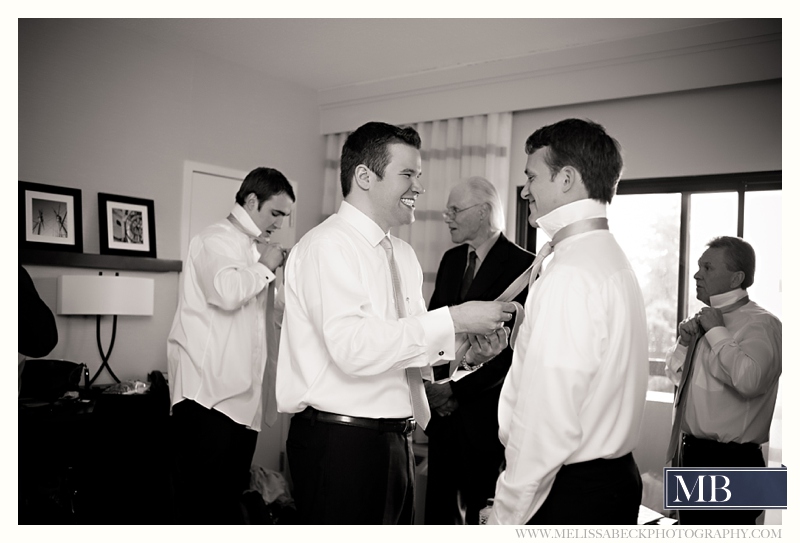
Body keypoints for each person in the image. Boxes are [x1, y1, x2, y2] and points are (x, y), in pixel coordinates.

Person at [277, 121, 517, 525]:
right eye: (408, 174)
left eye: (418, 176)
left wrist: (466, 355)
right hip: (341, 446)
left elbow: (411, 356)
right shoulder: (326, 247)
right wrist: (454, 317)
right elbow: (353, 348)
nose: (419, 188)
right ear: (365, 177)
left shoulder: (403, 254)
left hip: (398, 441)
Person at [488, 118, 649, 525]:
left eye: (531, 176)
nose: (524, 190)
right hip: (610, 484)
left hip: (570, 491)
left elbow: (546, 421)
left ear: (566, 178)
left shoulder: (571, 274)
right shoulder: (608, 258)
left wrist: (504, 518)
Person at [167, 166, 294, 524]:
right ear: (251, 200)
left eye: (285, 216)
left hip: (242, 404)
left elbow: (262, 318)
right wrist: (267, 266)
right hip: (207, 400)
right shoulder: (214, 240)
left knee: (225, 507)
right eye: (275, 213)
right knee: (200, 509)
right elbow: (225, 292)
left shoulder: (255, 252)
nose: (280, 223)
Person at [424, 177, 533, 525]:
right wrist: (434, 386)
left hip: (486, 416)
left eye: (455, 210)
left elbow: (514, 350)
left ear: (484, 211)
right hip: (441, 419)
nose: (447, 217)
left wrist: (454, 390)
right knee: (439, 514)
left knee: (481, 517)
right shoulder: (451, 260)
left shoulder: (524, 266)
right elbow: (434, 326)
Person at [665, 236, 781, 525]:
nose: (696, 274)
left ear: (736, 278)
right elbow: (677, 378)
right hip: (692, 454)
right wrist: (683, 342)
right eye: (698, 267)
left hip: (734, 461)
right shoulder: (703, 320)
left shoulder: (763, 323)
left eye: (707, 268)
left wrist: (717, 333)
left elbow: (751, 381)